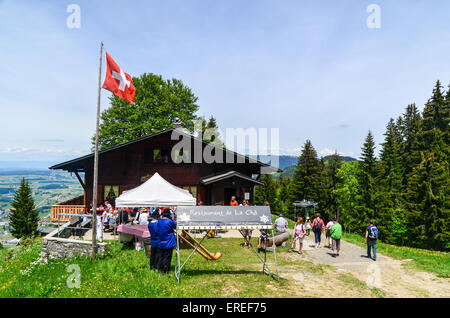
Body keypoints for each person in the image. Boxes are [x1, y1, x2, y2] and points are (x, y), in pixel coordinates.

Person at [157, 209, 177, 273]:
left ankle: (160, 268)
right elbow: (176, 226)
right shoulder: (170, 221)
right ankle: (166, 269)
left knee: (161, 255)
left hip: (161, 241)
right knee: (167, 256)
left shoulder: (159, 222)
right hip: (169, 241)